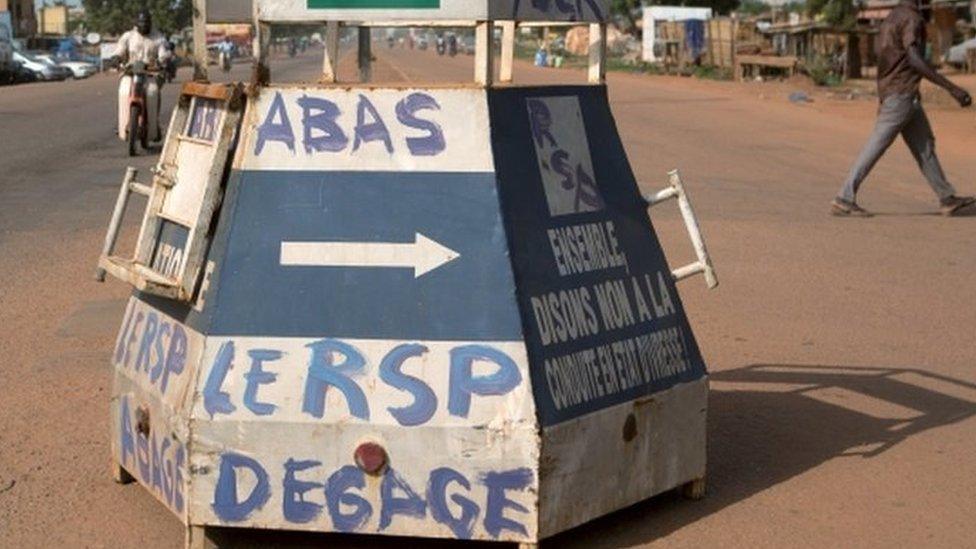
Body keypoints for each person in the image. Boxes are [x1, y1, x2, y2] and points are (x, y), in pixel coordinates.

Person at [831, 0, 974, 217]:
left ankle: (947, 198)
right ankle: (844, 197)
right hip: (901, 94)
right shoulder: (911, 18)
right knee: (877, 144)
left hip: (900, 92)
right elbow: (914, 59)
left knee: (924, 145)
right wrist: (952, 88)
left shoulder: (892, 17)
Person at [115, 10, 167, 142]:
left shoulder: (158, 37)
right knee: (123, 90)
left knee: (152, 92)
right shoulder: (128, 36)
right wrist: (116, 57)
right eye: (141, 22)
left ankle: (153, 127)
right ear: (136, 23)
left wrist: (163, 60)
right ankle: (122, 126)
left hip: (151, 72)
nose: (144, 25)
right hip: (130, 72)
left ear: (150, 23)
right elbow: (120, 50)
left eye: (146, 22)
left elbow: (163, 53)